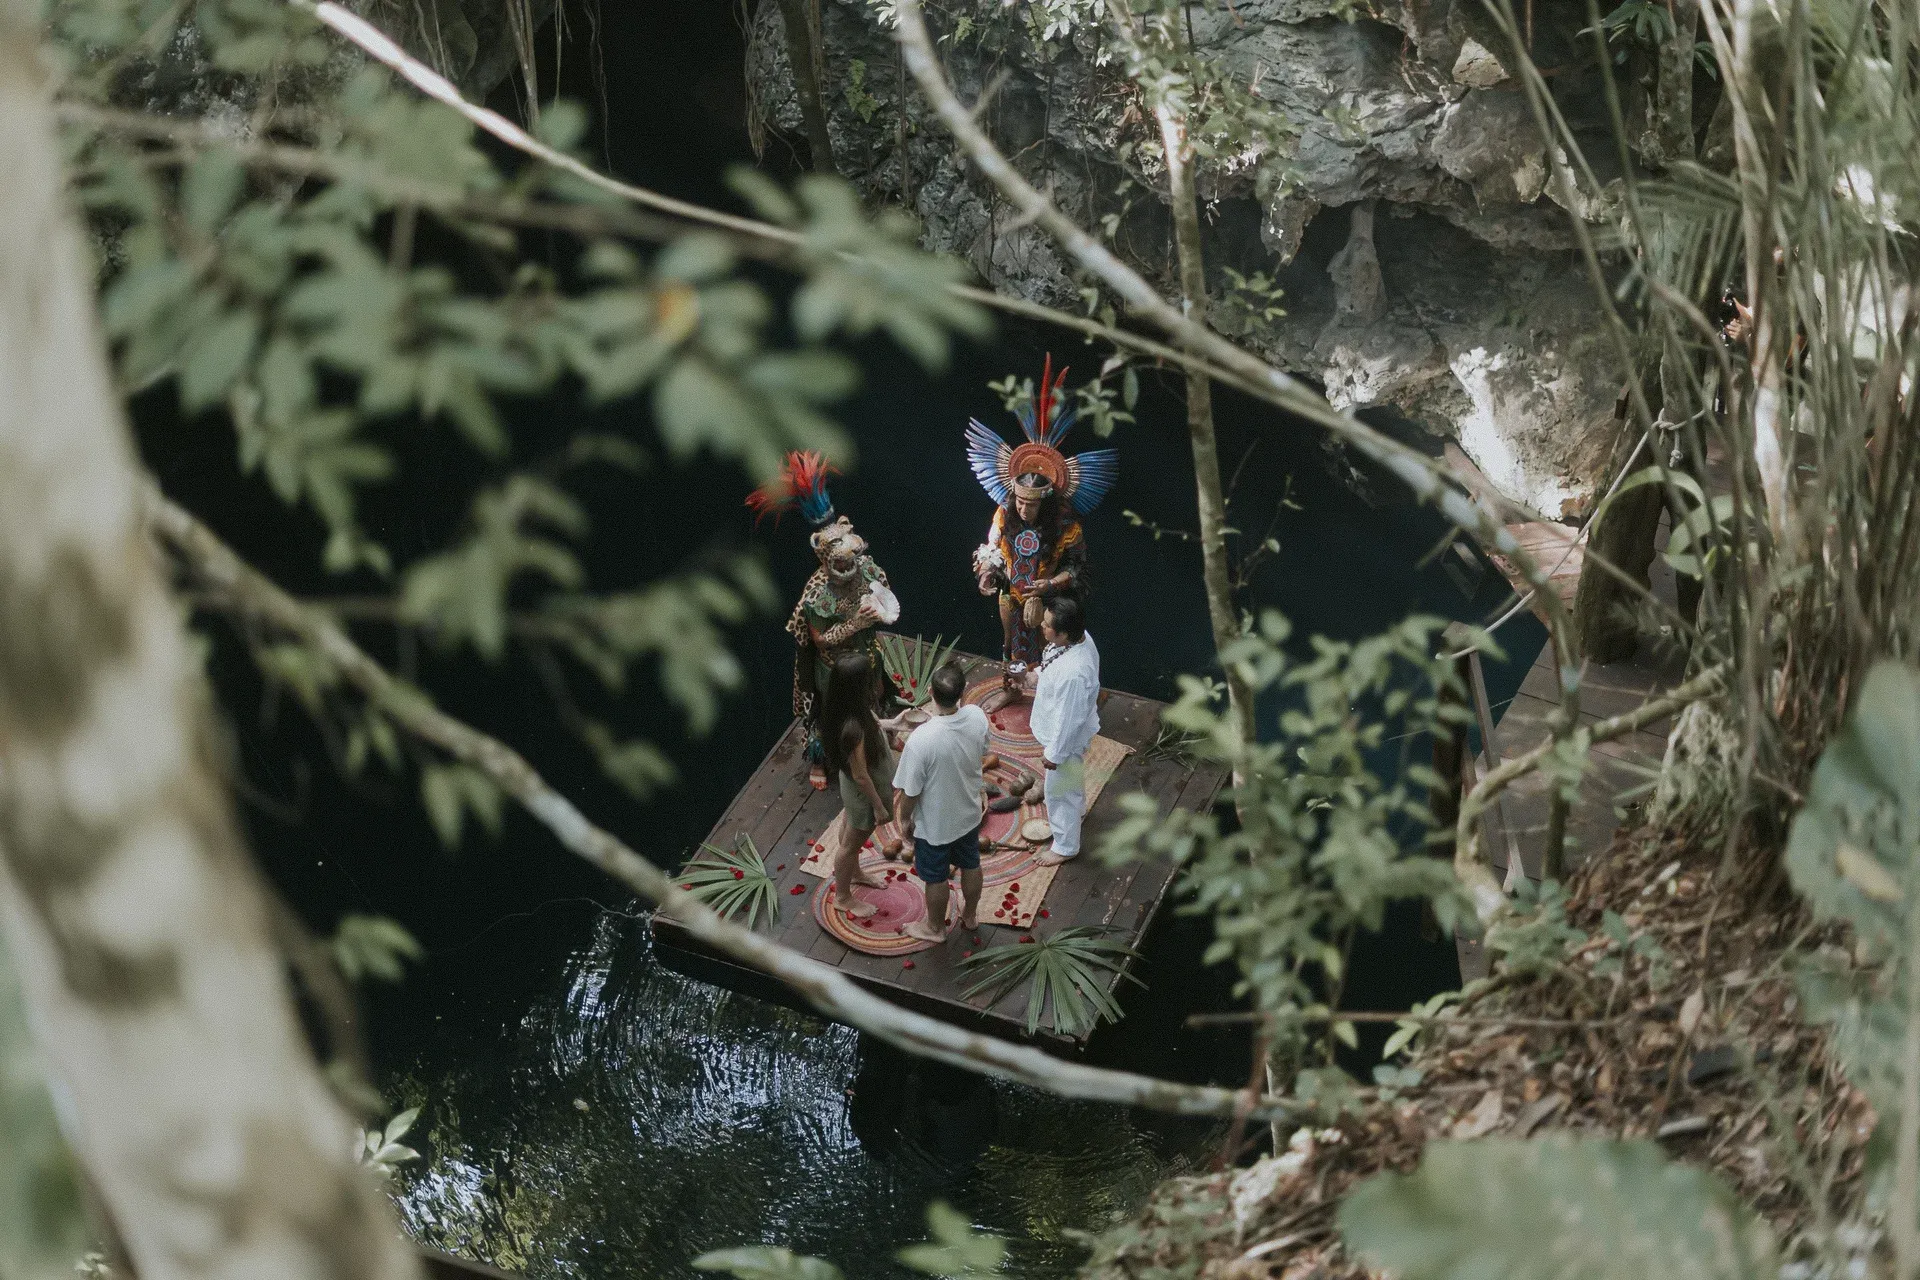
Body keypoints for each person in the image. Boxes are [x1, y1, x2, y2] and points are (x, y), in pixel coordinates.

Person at [965, 356, 1117, 699]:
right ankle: (1013, 690)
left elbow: (1079, 565)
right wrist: (987, 571)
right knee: (1010, 644)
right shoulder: (1004, 514)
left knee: (1053, 647)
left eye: (1030, 504)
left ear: (1045, 500)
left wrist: (1051, 583)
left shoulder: (1065, 524)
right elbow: (991, 546)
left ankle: (1052, 693)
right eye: (1020, 501)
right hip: (1011, 594)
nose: (1023, 508)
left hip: (1049, 599)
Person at [748, 451, 898, 788]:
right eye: (842, 562)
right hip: (833, 666)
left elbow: (883, 591)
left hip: (866, 652)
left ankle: (878, 737)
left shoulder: (868, 569)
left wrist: (878, 609)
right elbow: (819, 639)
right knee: (830, 713)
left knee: (874, 692)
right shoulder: (817, 594)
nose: (852, 567)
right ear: (826, 558)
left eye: (854, 558)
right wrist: (853, 625)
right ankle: (824, 758)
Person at [891, 661, 990, 943]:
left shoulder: (921, 740)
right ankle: (970, 915)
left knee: (935, 876)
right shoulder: (977, 717)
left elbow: (910, 792)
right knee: (971, 862)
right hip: (968, 812)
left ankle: (935, 928)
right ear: (963, 693)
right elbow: (983, 750)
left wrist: (905, 819)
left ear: (931, 693)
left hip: (935, 825)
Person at [818, 652, 904, 919]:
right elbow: (861, 776)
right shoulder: (853, 728)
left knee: (850, 831)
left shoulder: (848, 708)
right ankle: (842, 896)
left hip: (858, 789)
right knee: (851, 843)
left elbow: (873, 724)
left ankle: (855, 873)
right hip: (864, 793)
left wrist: (892, 724)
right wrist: (878, 806)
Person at [1028, 596, 1101, 867]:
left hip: (1065, 738)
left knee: (1057, 792)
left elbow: (1069, 720)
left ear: (1064, 633)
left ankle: (1066, 845)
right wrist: (1034, 677)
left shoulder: (1074, 674)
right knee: (1071, 779)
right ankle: (1078, 812)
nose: (1041, 627)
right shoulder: (1078, 640)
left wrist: (1054, 753)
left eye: (1047, 626)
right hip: (1066, 732)